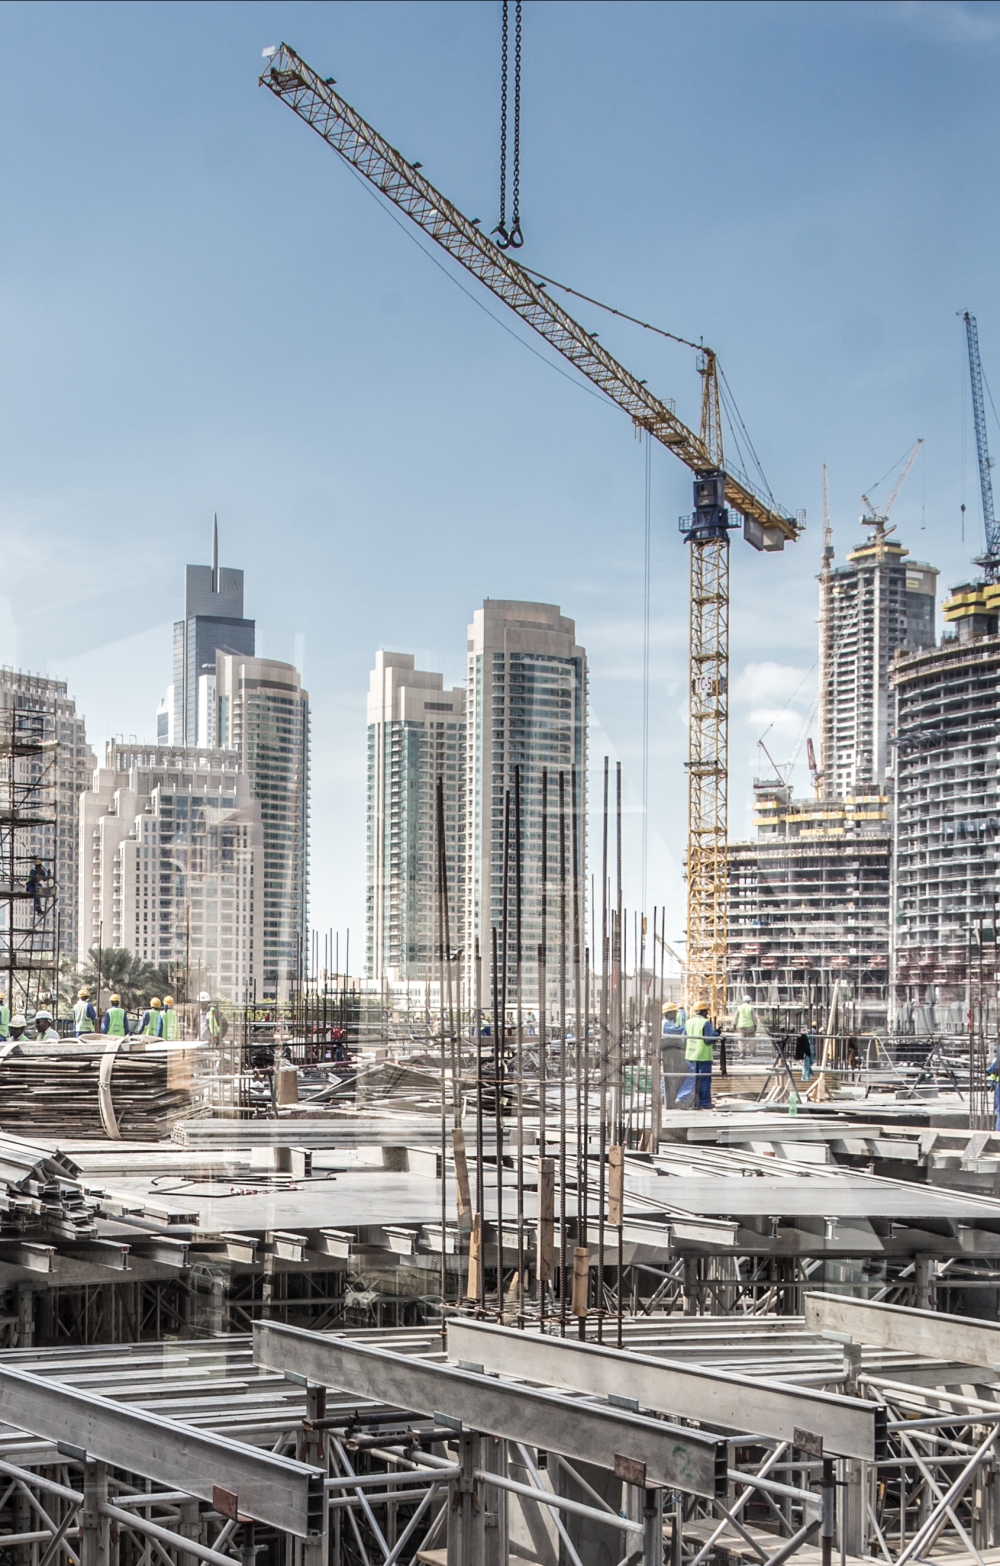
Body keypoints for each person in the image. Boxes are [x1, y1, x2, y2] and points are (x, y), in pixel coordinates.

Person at [685, 1002, 718, 1110]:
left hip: (690, 1055)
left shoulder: (688, 1022)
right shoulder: (705, 1023)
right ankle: (704, 1103)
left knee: (692, 1080)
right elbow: (709, 1039)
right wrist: (717, 1034)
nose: (707, 1014)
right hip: (703, 1055)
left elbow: (683, 1038)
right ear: (703, 1011)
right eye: (706, 1011)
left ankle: (691, 1102)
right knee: (704, 1081)